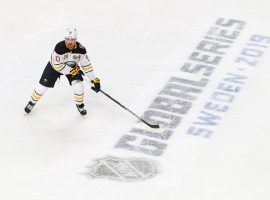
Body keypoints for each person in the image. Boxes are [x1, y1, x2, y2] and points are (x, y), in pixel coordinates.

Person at [24, 28, 100, 116]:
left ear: (76, 39)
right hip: (54, 68)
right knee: (42, 87)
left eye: (72, 39)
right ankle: (32, 102)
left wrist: (93, 80)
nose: (70, 42)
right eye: (68, 39)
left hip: (73, 68)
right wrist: (72, 71)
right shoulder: (59, 47)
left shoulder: (81, 50)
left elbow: (86, 65)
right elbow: (57, 65)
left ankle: (79, 104)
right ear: (65, 39)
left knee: (79, 86)